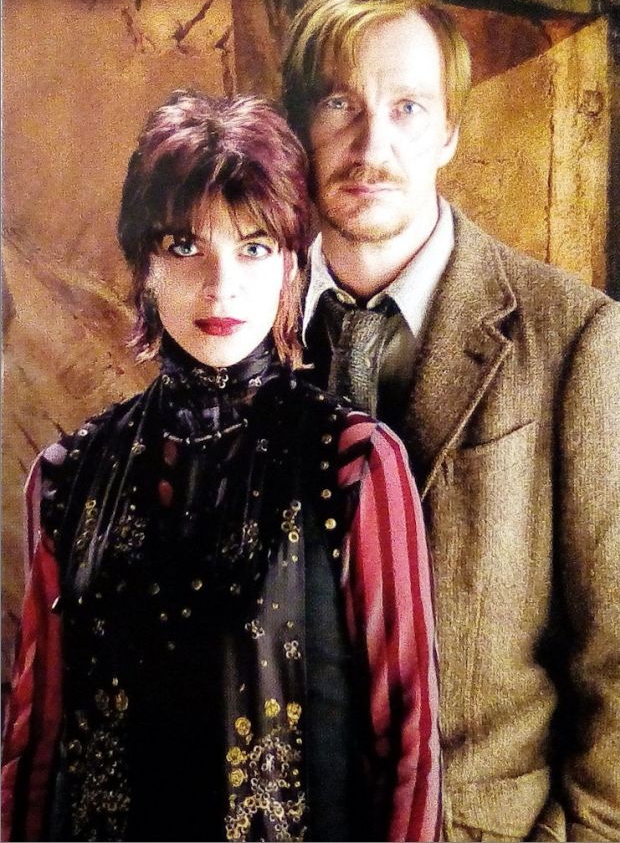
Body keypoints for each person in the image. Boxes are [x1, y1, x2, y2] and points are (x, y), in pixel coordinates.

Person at [1, 91, 442, 843]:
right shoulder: (67, 477)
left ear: (292, 265)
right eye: (184, 247)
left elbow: (409, 745)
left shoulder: (356, 463)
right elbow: (33, 746)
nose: (220, 285)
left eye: (253, 247)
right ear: (144, 265)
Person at [282, 0, 620, 843]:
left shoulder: (579, 338)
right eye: (339, 103)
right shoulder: (235, 329)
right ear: (296, 126)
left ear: (449, 131)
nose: (371, 143)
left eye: (407, 107)